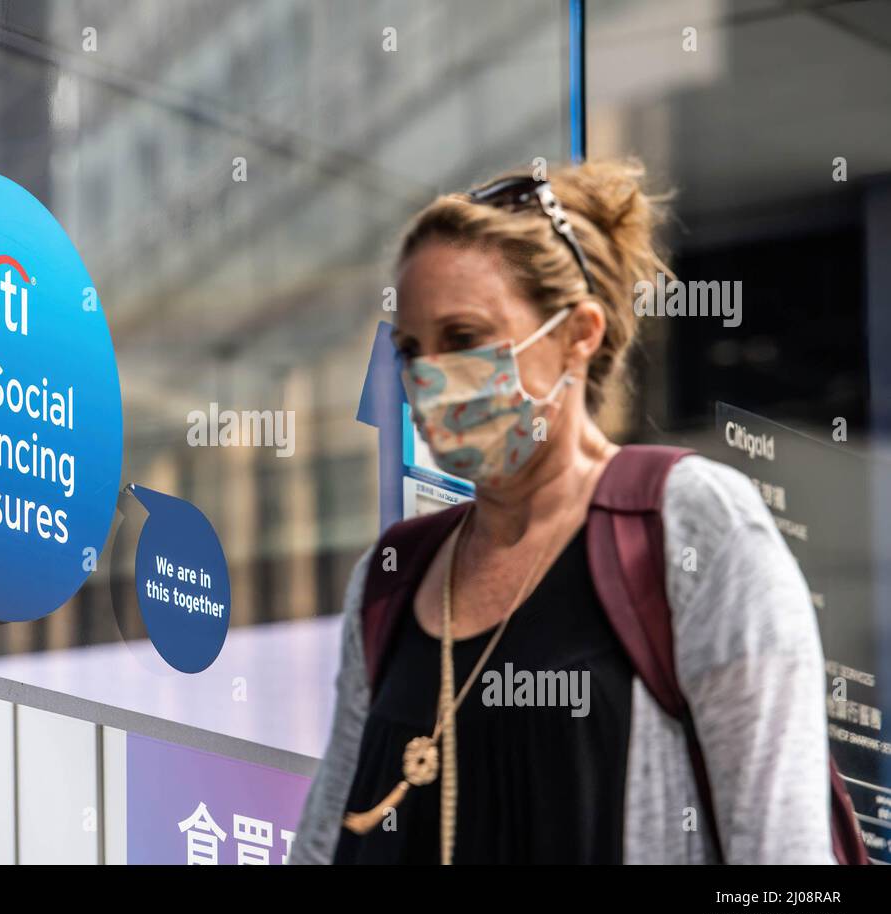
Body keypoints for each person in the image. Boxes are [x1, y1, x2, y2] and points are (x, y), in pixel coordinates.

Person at [291, 159, 836, 864]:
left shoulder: (689, 527)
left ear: (578, 332)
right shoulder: (393, 578)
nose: (428, 377)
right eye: (409, 351)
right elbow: (323, 842)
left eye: (463, 338)